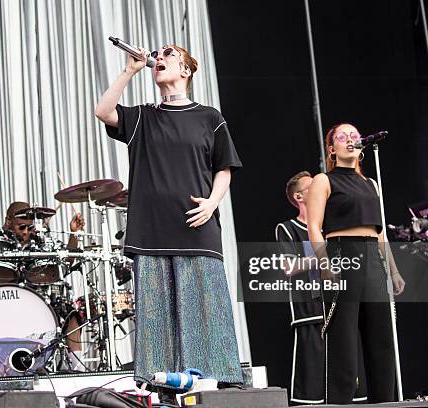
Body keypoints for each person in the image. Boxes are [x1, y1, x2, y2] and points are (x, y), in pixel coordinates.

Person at [95, 44, 243, 396]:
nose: (159, 59)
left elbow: (224, 169)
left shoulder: (209, 117)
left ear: (187, 69)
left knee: (204, 303)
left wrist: (211, 203)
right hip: (152, 230)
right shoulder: (144, 116)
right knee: (157, 309)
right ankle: (161, 383)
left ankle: (217, 378)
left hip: (197, 225)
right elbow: (103, 111)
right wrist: (130, 71)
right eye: (157, 56)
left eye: (169, 54)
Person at [307, 123, 405, 404]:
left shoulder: (370, 183)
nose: (350, 139)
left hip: (373, 257)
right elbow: (314, 227)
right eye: (342, 136)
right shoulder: (324, 180)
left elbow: (380, 231)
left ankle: (384, 402)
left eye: (354, 135)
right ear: (332, 149)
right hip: (342, 254)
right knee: (344, 345)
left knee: (382, 343)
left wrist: (394, 271)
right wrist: (325, 265)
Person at [276, 171, 366, 405]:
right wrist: (323, 253)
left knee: (348, 382)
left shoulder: (331, 227)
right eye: (311, 186)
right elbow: (289, 267)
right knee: (312, 390)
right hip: (311, 313)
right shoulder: (288, 229)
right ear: (298, 196)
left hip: (338, 308)